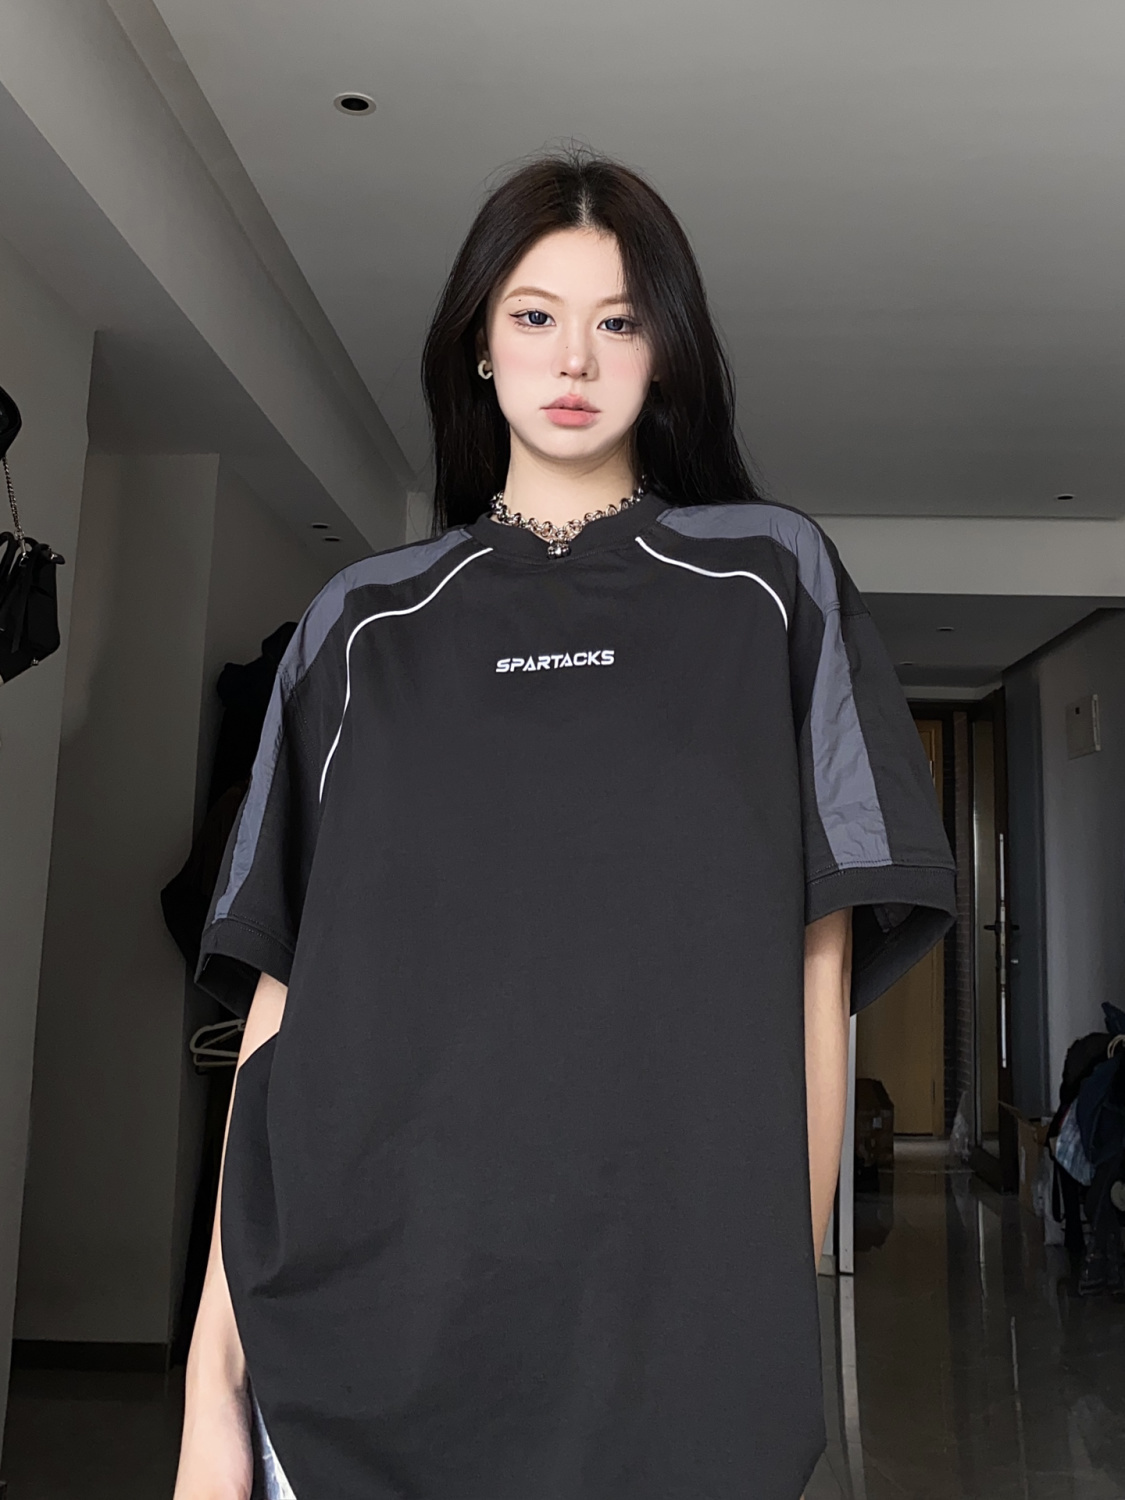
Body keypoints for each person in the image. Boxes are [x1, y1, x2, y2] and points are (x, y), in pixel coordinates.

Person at [174, 151, 955, 1500]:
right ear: (478, 344)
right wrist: (208, 1390)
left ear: (667, 350)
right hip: (360, 1324)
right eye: (534, 314)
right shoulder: (358, 626)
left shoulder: (770, 583)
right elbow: (282, 1008)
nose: (574, 357)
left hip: (666, 1334)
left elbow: (814, 975)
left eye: (620, 318)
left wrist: (774, 1294)